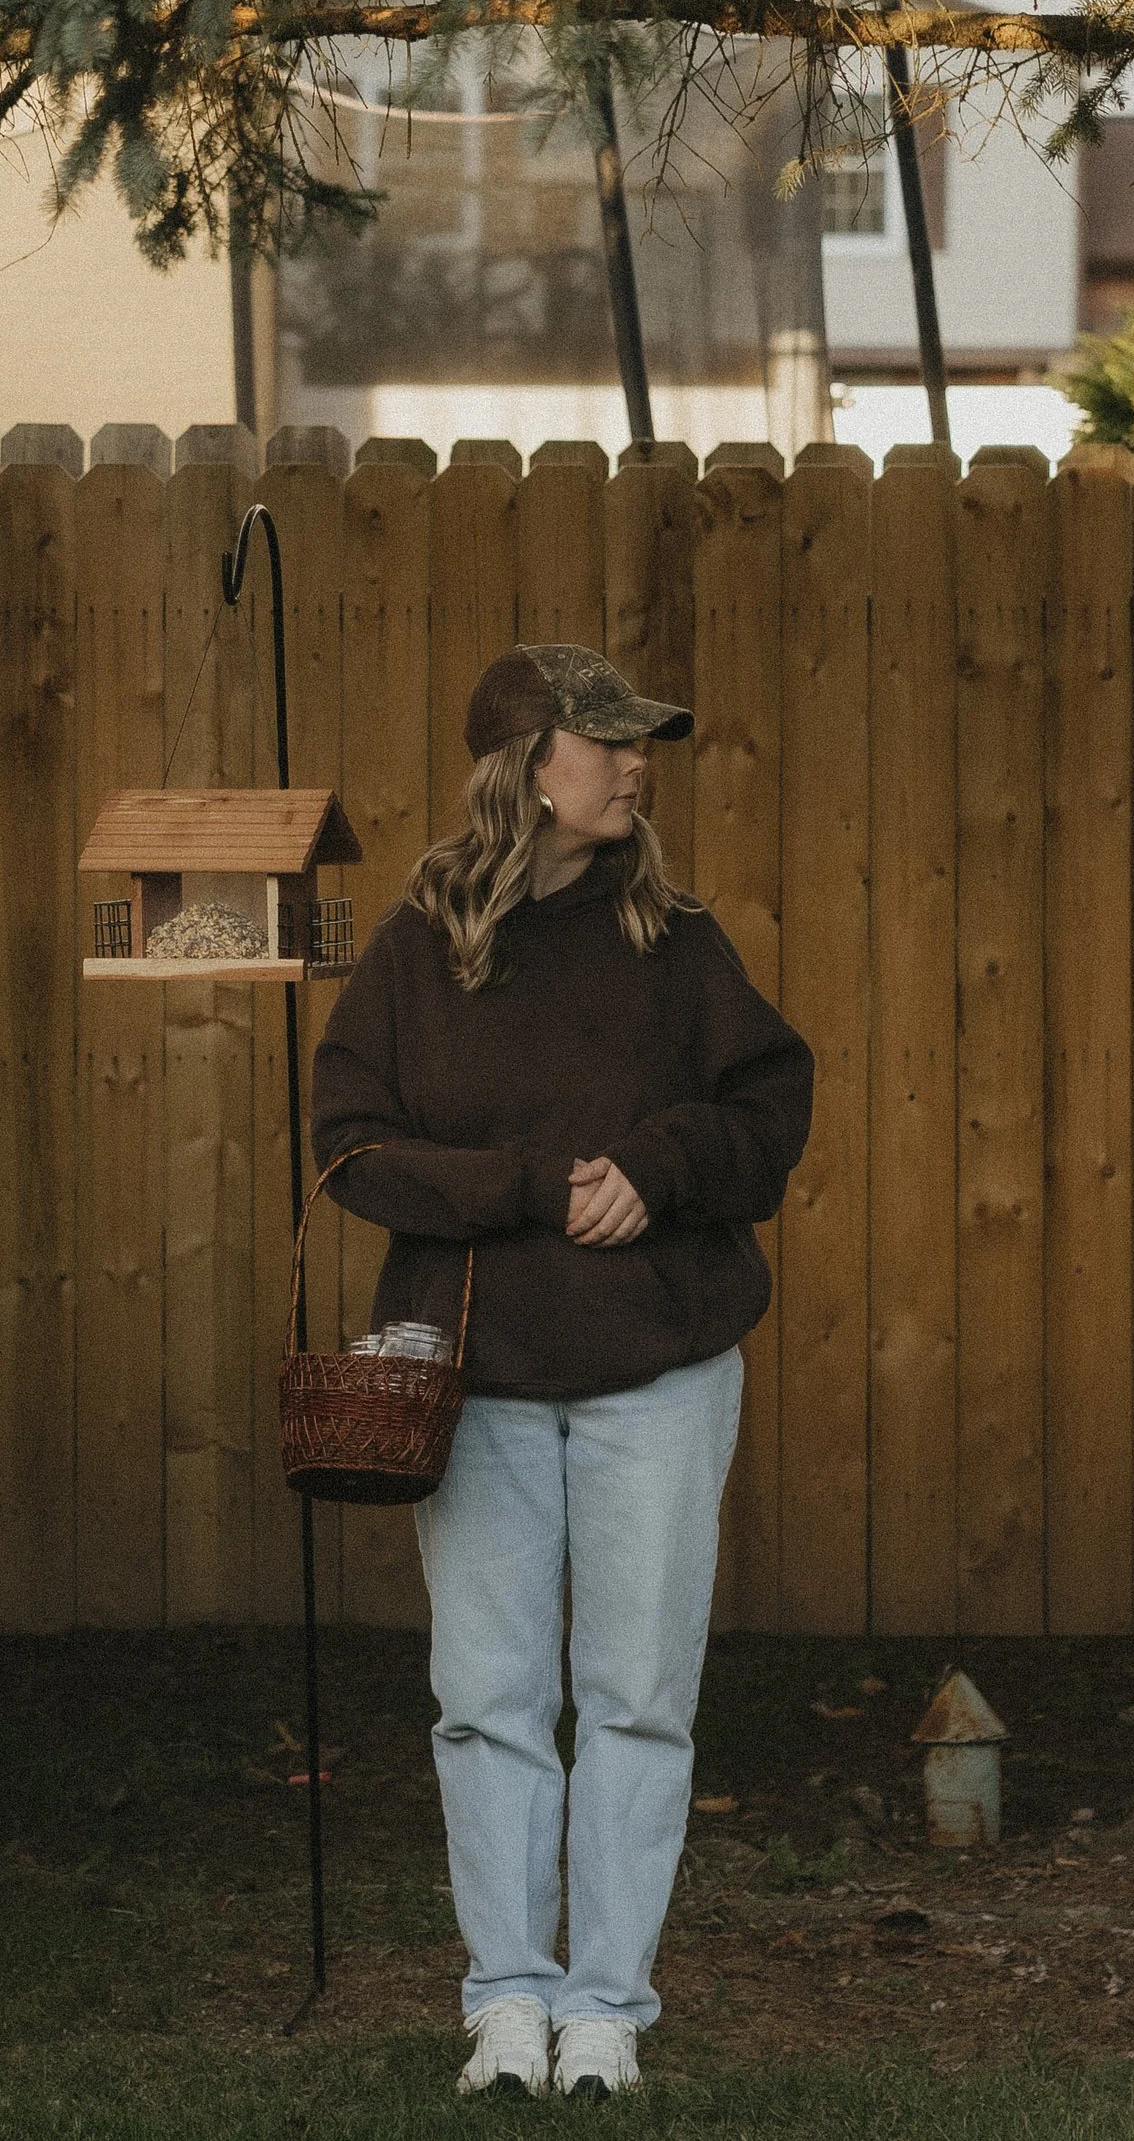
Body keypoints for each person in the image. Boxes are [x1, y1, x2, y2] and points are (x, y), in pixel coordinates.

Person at [310, 641, 813, 2101]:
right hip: (478, 1377)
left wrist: (657, 1171)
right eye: (610, 743)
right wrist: (529, 1183)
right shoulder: (420, 943)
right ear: (533, 764)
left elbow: (770, 1108)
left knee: (640, 1693)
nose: (636, 765)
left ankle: (606, 2006)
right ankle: (507, 2001)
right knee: (486, 1696)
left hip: (658, 1369)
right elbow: (348, 1140)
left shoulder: (679, 939)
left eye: (641, 744)